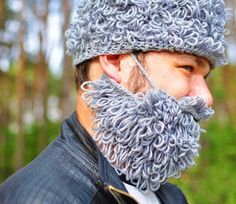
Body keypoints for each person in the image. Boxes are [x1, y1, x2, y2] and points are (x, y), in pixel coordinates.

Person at [0, 0, 230, 203]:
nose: (206, 97)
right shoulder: (41, 198)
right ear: (115, 60)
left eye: (205, 76)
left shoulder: (169, 195)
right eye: (187, 67)